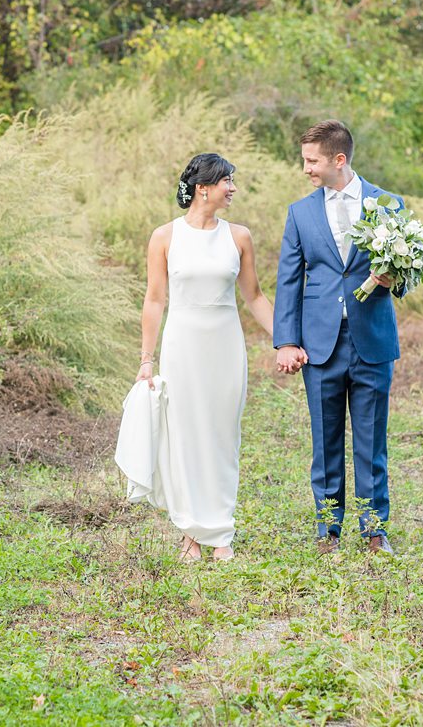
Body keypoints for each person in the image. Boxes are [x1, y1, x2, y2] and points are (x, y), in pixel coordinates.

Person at [272, 120, 405, 556]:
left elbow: (406, 273)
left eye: (312, 161)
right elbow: (289, 282)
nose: (306, 168)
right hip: (319, 343)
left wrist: (394, 279)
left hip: (371, 339)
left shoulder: (387, 204)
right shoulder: (300, 213)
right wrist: (286, 341)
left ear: (338, 160)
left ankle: (374, 530)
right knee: (325, 438)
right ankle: (327, 529)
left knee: (371, 439)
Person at [137, 153, 275, 562]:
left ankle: (222, 533)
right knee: (184, 436)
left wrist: (285, 340)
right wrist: (147, 359)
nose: (232, 189)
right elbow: (154, 299)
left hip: (225, 346)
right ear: (204, 188)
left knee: (221, 435)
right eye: (227, 181)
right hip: (182, 345)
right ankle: (191, 535)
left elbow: (254, 296)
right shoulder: (164, 237)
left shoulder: (239, 237)